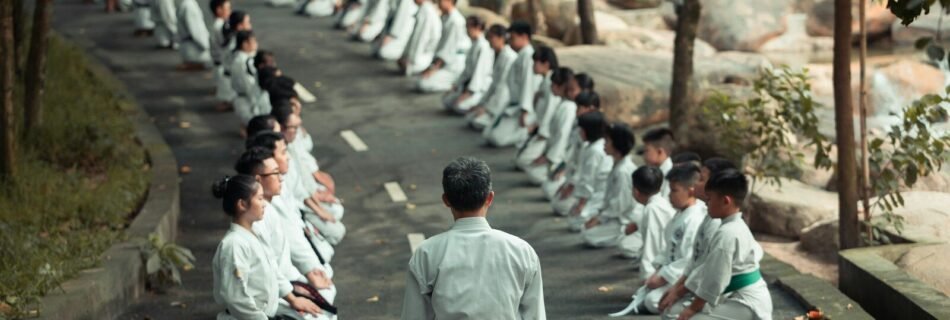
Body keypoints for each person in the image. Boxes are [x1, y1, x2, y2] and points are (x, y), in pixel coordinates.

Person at [400, 157, 546, 319]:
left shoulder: (426, 252)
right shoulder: (522, 250)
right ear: (489, 198)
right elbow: (535, 315)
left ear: (446, 200)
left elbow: (414, 316)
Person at [235, 148, 339, 319]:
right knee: (319, 314)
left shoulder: (267, 208)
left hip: (282, 283)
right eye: (275, 173)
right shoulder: (255, 221)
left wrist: (301, 280)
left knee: (326, 297)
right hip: (267, 295)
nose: (281, 177)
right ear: (258, 180)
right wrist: (292, 295)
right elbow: (266, 271)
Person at [659, 169, 773, 320]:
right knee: (673, 311)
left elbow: (715, 281)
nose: (706, 204)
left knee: (683, 316)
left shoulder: (727, 233)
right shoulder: (733, 226)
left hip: (747, 303)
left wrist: (691, 309)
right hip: (737, 296)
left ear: (725, 201)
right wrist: (678, 290)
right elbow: (706, 270)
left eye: (710, 199)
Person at [210, 175, 323, 319]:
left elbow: (273, 271)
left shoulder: (255, 232)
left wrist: (293, 299)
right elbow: (236, 298)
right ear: (242, 205)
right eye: (259, 198)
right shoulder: (233, 245)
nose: (264, 204)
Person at [613, 163, 708, 316]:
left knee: (652, 301)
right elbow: (667, 248)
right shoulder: (681, 213)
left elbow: (688, 260)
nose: (669, 195)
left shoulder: (695, 218)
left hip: (686, 278)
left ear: (691, 191)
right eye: (669, 190)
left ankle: (694, 303)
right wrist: (657, 272)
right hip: (672, 274)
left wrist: (663, 277)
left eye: (674, 191)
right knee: (645, 296)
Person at [552, 112, 613, 232]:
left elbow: (588, 180)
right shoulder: (590, 147)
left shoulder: (595, 151)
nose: (579, 133)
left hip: (599, 193)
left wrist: (581, 203)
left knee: (575, 223)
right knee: (562, 207)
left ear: (586, 132)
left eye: (581, 130)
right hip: (590, 192)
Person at [483, 21, 541, 147]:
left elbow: (528, 84)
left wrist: (525, 110)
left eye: (513, 38)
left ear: (524, 37)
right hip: (513, 105)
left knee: (497, 139)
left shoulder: (528, 57)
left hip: (524, 108)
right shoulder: (520, 55)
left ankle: (527, 131)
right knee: (487, 134)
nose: (510, 41)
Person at [580, 123, 637, 247]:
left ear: (617, 144)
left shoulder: (623, 171)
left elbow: (620, 204)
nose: (604, 144)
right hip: (612, 214)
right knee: (584, 224)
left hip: (623, 218)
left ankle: (627, 236)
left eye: (607, 141)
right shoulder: (617, 165)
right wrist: (598, 215)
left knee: (588, 235)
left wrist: (600, 219)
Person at [517, 66, 574, 184]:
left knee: (537, 177)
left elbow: (562, 136)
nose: (551, 87)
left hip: (560, 154)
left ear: (561, 86)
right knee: (529, 167)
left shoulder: (568, 108)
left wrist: (549, 158)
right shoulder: (562, 104)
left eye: (553, 84)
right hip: (550, 146)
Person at [540, 89, 599, 201]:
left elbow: (584, 165)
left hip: (585, 181)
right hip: (572, 172)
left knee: (557, 199)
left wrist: (571, 184)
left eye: (579, 108)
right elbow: (572, 155)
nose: (576, 112)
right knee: (548, 188)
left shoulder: (593, 133)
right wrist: (563, 171)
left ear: (591, 108)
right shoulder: (579, 127)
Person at [465, 24, 516, 130]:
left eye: (492, 37)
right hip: (494, 97)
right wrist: (481, 104)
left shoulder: (509, 57)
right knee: (470, 117)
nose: (489, 41)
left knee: (477, 121)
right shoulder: (498, 54)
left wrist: (488, 109)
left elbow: (503, 88)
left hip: (503, 100)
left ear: (501, 38)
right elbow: (493, 84)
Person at [415, 0, 471, 92]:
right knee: (421, 77)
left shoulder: (455, 21)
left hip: (454, 64)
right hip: (446, 61)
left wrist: (434, 68)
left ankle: (455, 85)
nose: (438, 2)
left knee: (423, 84)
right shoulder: (446, 17)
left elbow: (448, 49)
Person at [442, 16, 493, 114]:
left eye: (468, 27)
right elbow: (466, 70)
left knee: (459, 106)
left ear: (477, 27)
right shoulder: (474, 44)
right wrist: (456, 85)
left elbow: (479, 74)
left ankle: (476, 105)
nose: (467, 31)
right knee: (447, 101)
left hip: (479, 88)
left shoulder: (483, 47)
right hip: (467, 85)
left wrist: (468, 93)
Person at [230, 31, 263, 132]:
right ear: (245, 44)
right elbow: (248, 86)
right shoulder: (242, 62)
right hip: (246, 101)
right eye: (253, 41)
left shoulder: (245, 58)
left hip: (246, 98)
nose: (256, 44)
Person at [398, 0, 441, 76]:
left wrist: (410, 60)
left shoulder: (426, 11)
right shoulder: (425, 8)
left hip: (424, 55)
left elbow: (420, 39)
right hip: (423, 52)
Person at [210, 0, 236, 111]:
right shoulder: (220, 26)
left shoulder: (219, 24)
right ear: (219, 10)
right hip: (222, 63)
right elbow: (226, 46)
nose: (229, 11)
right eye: (227, 8)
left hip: (219, 62)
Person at [176, 0, 212, 70]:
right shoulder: (189, 6)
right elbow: (196, 32)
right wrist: (208, 46)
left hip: (189, 48)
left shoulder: (186, 3)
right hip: (195, 50)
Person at [641, 128, 676, 198]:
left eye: (646, 151)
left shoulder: (671, 177)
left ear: (659, 152)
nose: (644, 156)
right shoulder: (655, 173)